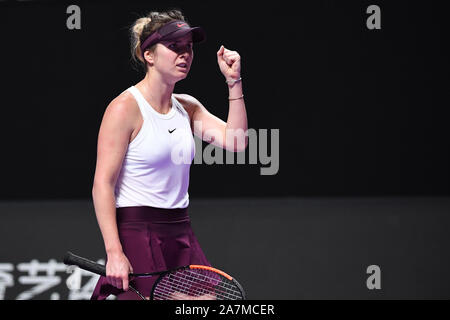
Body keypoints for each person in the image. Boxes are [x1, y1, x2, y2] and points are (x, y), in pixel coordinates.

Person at [90, 9, 248, 300]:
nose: (184, 54)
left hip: (180, 231)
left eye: (188, 47)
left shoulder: (187, 107)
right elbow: (103, 184)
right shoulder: (124, 108)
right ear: (149, 56)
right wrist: (114, 252)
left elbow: (237, 142)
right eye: (174, 47)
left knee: (204, 302)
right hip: (138, 232)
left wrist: (233, 82)